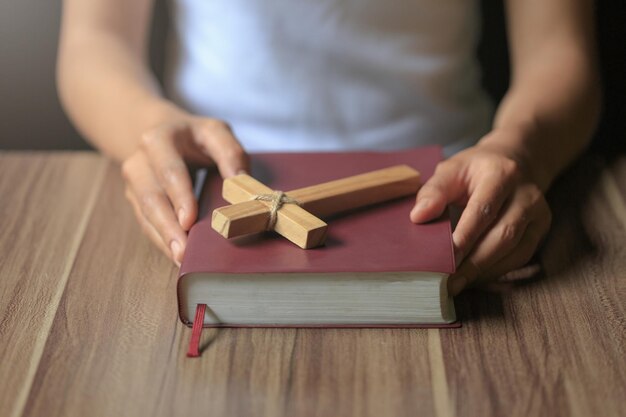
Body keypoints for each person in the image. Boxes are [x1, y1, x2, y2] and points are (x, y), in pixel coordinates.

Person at [57, 1, 600, 295]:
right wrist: (149, 126)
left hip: (452, 185)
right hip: (208, 181)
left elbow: (559, 47)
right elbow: (93, 42)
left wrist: (522, 149)